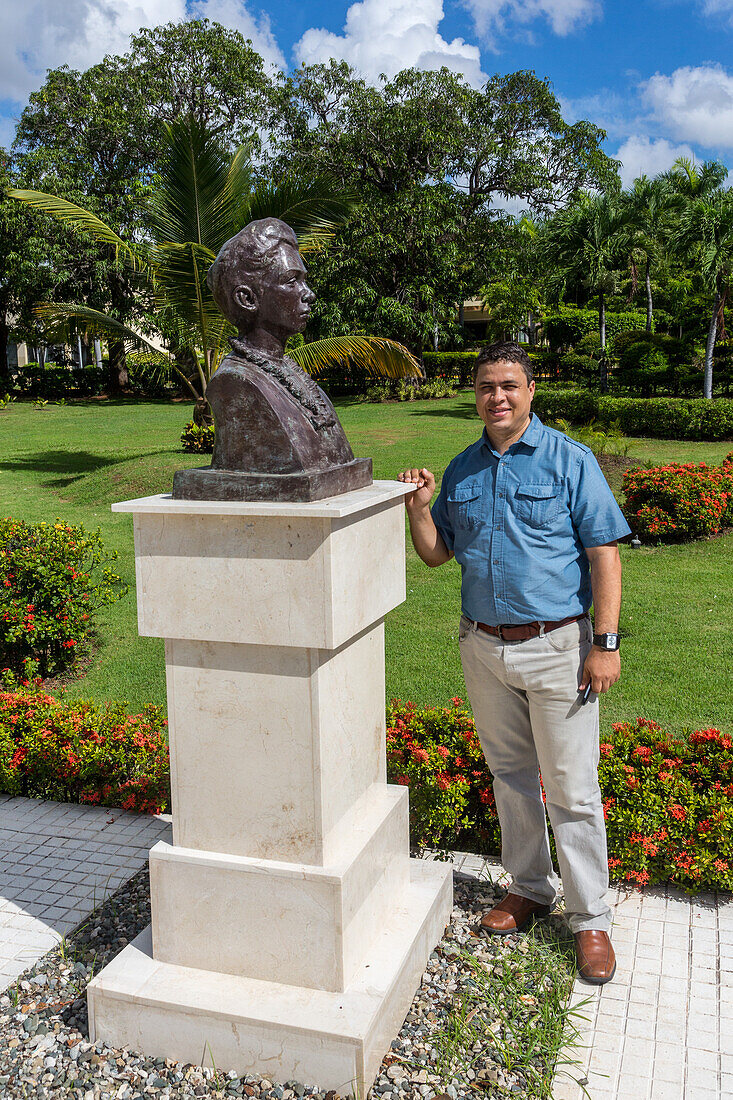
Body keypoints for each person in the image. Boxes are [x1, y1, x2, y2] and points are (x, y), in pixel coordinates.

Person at [398, 340, 631, 985]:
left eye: (507, 385)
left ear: (530, 392)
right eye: (484, 387)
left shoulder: (568, 460)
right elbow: (438, 554)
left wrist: (604, 643)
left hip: (558, 647)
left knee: (572, 787)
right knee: (511, 775)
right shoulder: (463, 468)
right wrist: (419, 509)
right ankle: (529, 887)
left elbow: (605, 553)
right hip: (485, 646)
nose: (495, 397)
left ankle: (590, 920)